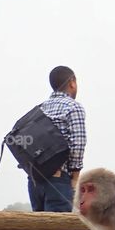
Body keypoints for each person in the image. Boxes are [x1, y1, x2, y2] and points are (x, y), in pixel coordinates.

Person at [27, 66, 87, 212]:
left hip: (34, 180)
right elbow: (78, 144)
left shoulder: (40, 108)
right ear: (72, 82)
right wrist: (75, 177)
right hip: (59, 180)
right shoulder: (73, 107)